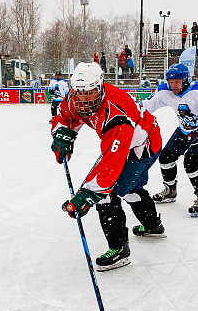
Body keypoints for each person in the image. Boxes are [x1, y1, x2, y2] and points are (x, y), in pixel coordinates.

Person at [50, 62, 165, 272]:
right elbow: (64, 117)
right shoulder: (75, 98)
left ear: (101, 86)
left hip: (143, 145)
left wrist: (86, 195)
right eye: (79, 93)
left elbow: (110, 167)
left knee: (106, 193)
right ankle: (152, 226)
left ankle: (119, 249)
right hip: (125, 142)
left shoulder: (116, 112)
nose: (84, 99)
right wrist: (62, 134)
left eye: (90, 93)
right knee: (131, 189)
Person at [140, 63, 198, 217]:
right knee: (165, 157)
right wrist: (127, 114)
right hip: (185, 130)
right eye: (170, 82)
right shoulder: (164, 91)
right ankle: (170, 191)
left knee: (191, 161)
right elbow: (145, 106)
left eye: (177, 82)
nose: (173, 86)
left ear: (186, 79)